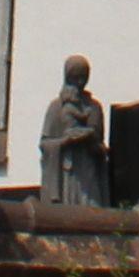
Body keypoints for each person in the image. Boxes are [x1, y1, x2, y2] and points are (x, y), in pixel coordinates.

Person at [38, 59, 110, 208]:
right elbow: (45, 144)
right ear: (68, 77)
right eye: (76, 77)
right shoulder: (56, 107)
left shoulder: (94, 107)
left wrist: (91, 141)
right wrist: (66, 140)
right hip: (67, 173)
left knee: (93, 210)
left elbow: (101, 146)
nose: (81, 81)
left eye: (84, 77)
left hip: (88, 170)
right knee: (66, 212)